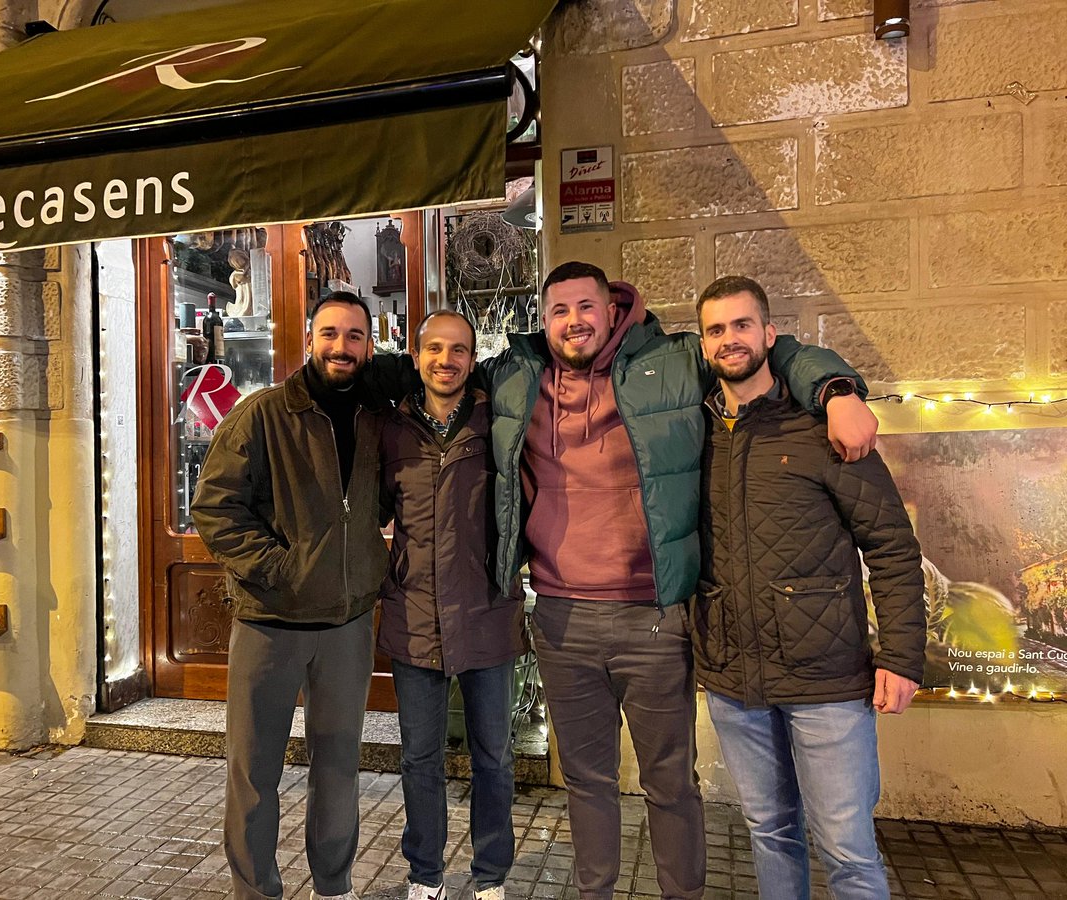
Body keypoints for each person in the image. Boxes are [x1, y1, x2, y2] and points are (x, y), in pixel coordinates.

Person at [479, 261, 879, 900]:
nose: (574, 321)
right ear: (544, 319)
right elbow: (434, 373)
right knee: (585, 781)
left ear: (612, 308)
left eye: (586, 306)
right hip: (559, 617)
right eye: (559, 311)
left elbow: (770, 350)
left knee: (670, 782)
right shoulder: (516, 377)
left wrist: (837, 390)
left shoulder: (674, 359)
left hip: (656, 616)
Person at [692, 275, 925, 900]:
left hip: (827, 678)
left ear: (771, 334)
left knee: (847, 847)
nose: (730, 339)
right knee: (769, 831)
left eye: (743, 325)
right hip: (734, 678)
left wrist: (902, 657)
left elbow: (892, 546)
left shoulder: (821, 427)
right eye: (716, 329)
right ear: (704, 344)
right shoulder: (695, 434)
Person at [191, 291, 389, 900]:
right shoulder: (262, 414)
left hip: (346, 625)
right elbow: (215, 508)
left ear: (369, 346)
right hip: (270, 623)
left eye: (354, 336)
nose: (340, 347)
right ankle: (255, 891)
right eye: (329, 333)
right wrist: (279, 568)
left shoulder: (377, 418)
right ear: (308, 340)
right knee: (254, 773)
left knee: (339, 770)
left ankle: (334, 885)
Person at [378, 309, 527, 900]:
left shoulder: (499, 425)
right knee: (420, 759)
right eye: (435, 348)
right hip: (414, 617)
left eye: (459, 349)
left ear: (473, 357)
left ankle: (490, 875)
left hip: (487, 612)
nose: (446, 360)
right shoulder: (392, 429)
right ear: (416, 357)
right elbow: (372, 511)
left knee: (494, 757)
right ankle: (426, 875)